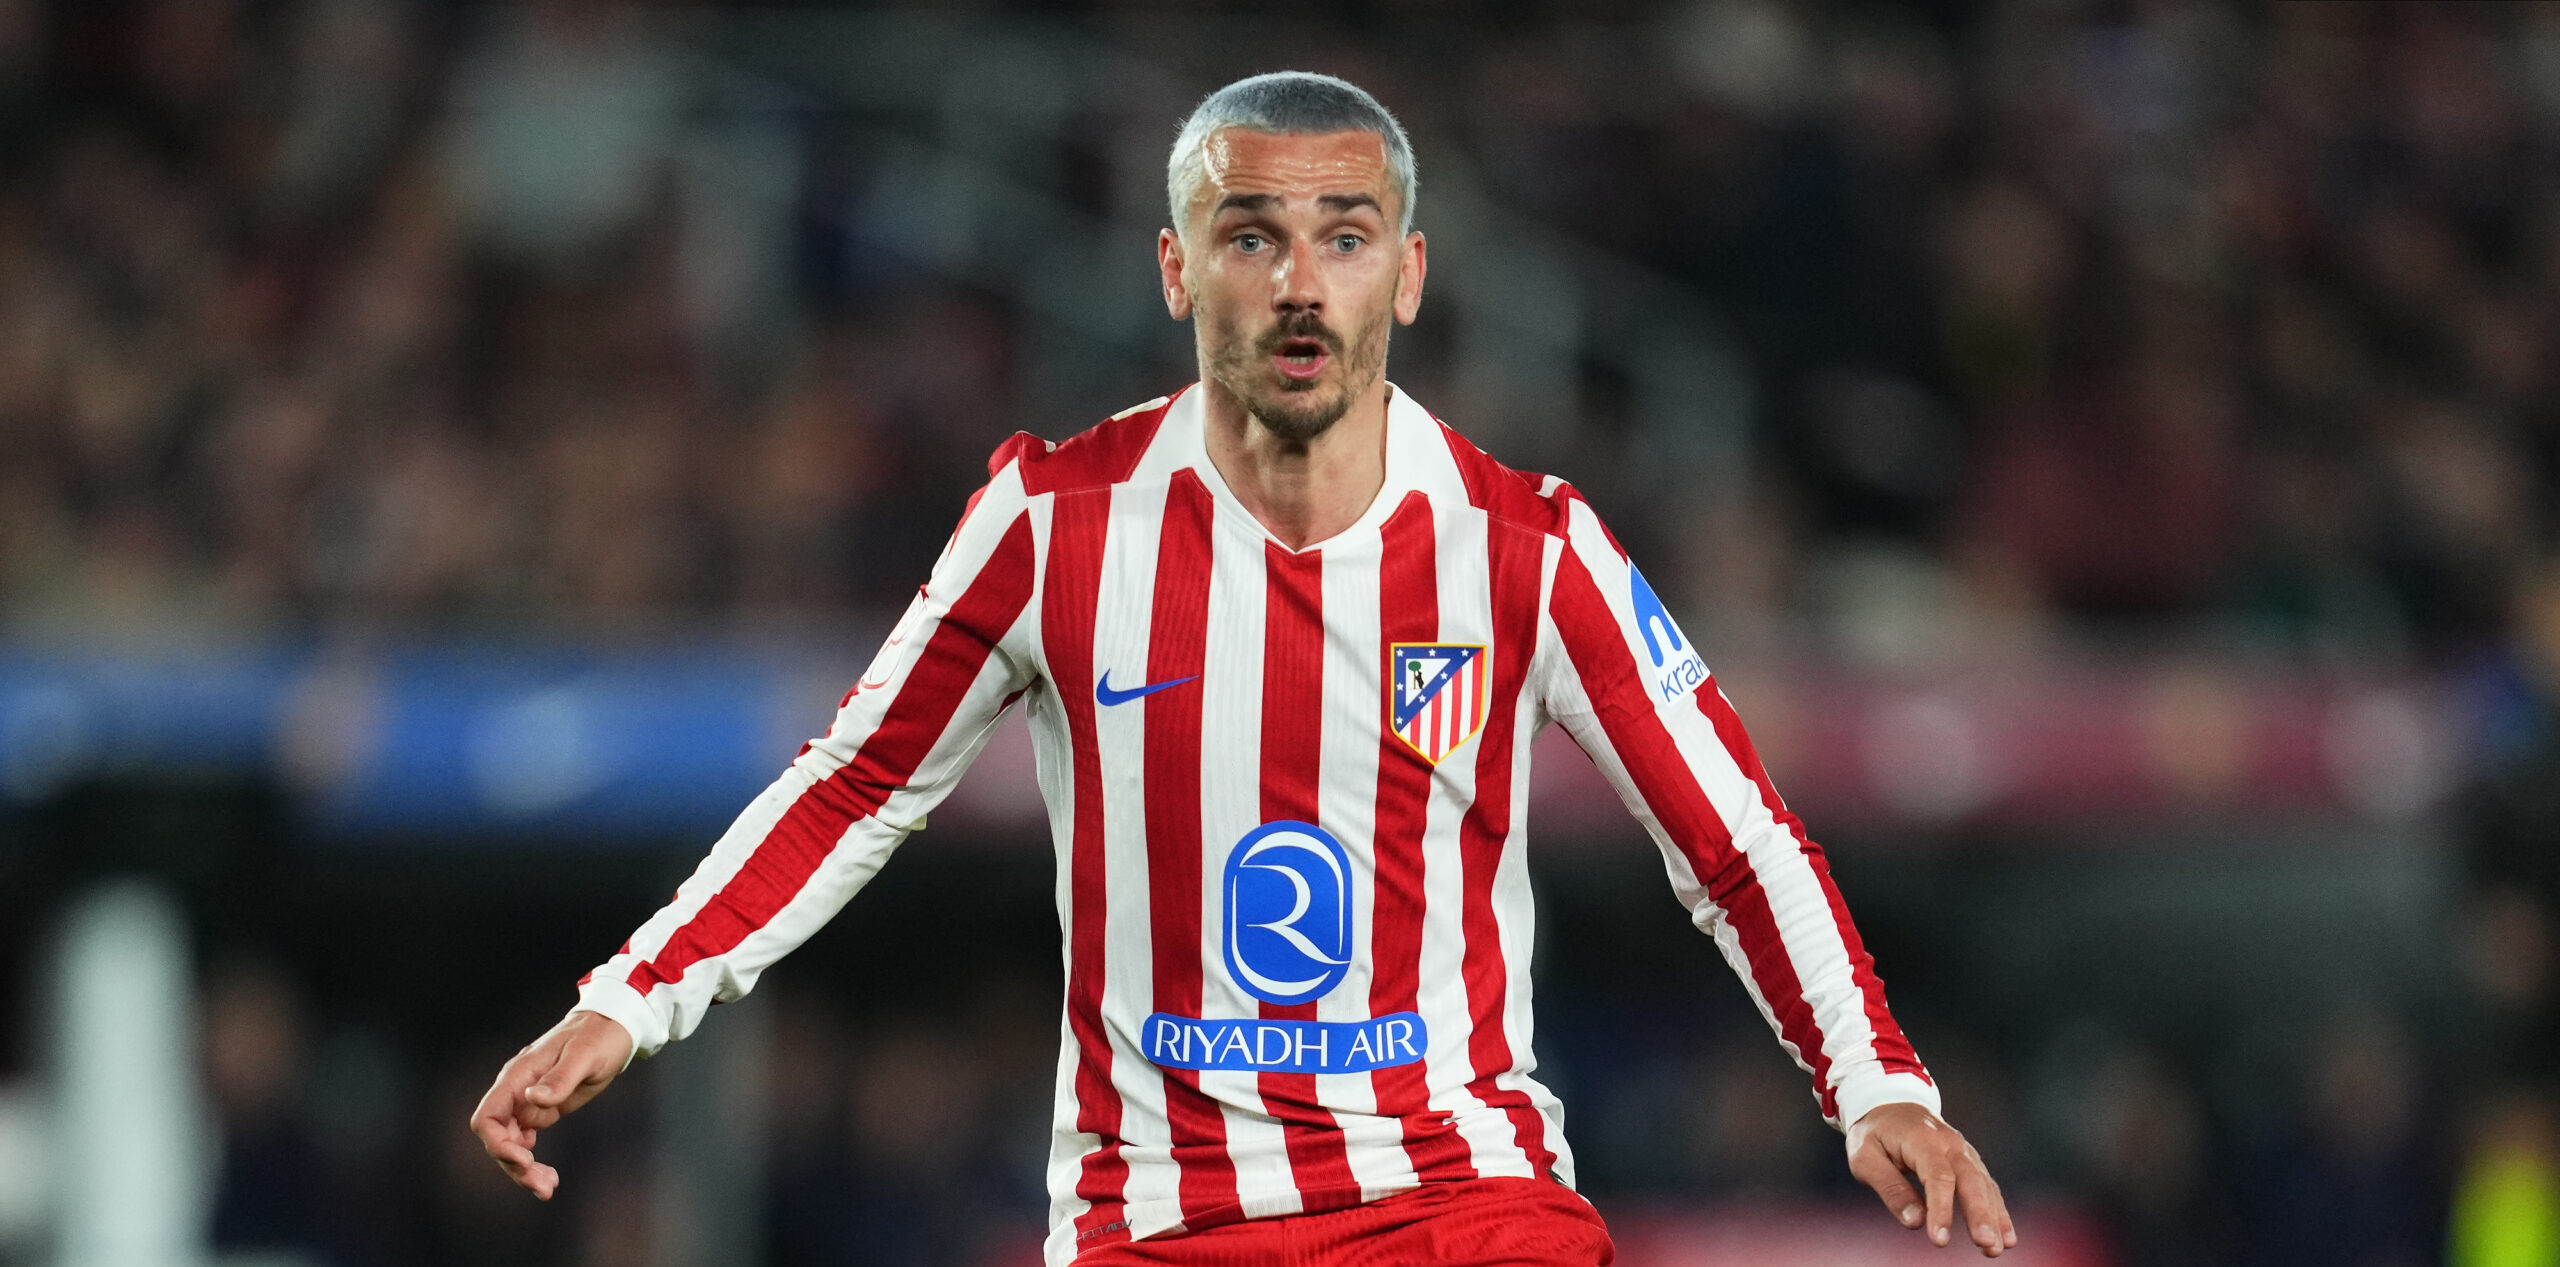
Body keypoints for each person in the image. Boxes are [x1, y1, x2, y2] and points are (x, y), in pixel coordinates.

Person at [469, 71, 2016, 1265]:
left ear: (1408, 273)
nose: (1299, 283)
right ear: (1174, 268)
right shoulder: (1053, 525)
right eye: (1251, 237)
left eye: (1345, 238)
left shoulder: (1529, 548)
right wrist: (633, 999)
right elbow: (855, 785)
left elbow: (1737, 841)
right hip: (1163, 1219)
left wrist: (1878, 1081)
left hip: (1458, 1202)